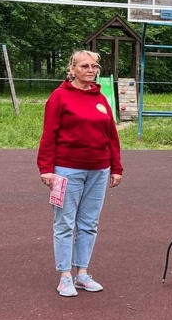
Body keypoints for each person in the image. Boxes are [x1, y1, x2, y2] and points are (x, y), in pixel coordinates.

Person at [37, 50, 123, 297]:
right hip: (67, 170)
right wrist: (46, 168)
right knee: (64, 222)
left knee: (89, 224)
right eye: (85, 66)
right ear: (72, 69)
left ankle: (82, 273)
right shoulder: (59, 97)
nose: (91, 70)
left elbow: (111, 136)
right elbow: (49, 135)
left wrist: (116, 167)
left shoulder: (101, 98)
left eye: (94, 66)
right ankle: (65, 276)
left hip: (98, 169)